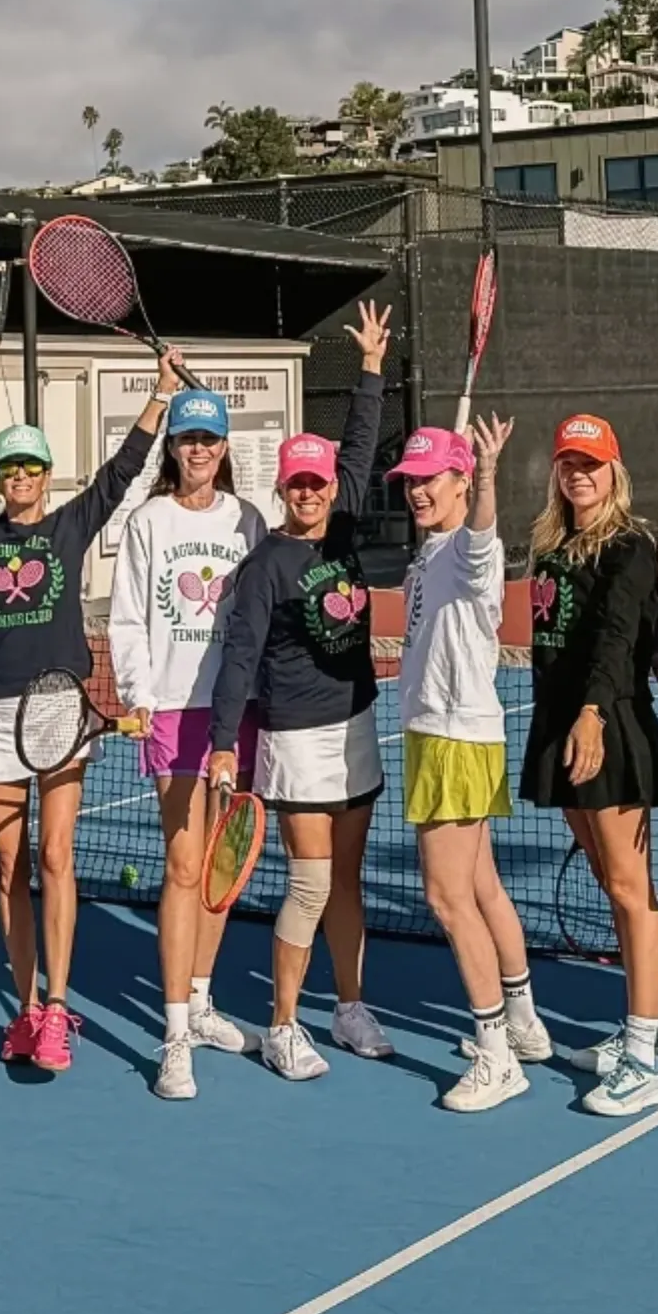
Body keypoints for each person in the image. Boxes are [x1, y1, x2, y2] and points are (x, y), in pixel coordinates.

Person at [0, 348, 182, 1074]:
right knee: (6, 864)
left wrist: (160, 396)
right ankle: (23, 1009)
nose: (19, 480)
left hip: (58, 713)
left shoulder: (70, 526)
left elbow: (122, 472)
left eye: (30, 469)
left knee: (56, 856)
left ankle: (56, 1007)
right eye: (8, 470)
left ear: (47, 477)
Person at [209, 301, 395, 1082]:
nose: (313, 493)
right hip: (295, 738)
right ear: (284, 489)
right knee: (312, 881)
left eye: (319, 483)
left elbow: (358, 449)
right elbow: (240, 659)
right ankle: (284, 1024)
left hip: (356, 724)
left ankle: (349, 1008)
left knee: (345, 880)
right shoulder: (265, 567)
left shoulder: (344, 525)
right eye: (300, 484)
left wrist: (372, 371)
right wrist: (223, 744)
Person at [390, 416, 554, 1113]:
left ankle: (494, 1055)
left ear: (459, 481)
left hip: (455, 738)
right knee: (483, 886)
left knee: (446, 898)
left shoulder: (465, 547)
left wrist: (487, 475)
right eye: (410, 481)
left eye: (431, 478)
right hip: (442, 734)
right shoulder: (428, 555)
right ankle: (522, 1025)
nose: (418, 491)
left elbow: (486, 533)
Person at [108, 388, 268, 1100]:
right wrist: (139, 695)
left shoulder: (250, 521)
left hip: (237, 714)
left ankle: (201, 999)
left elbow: (262, 618)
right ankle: (175, 1034)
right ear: (171, 449)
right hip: (173, 711)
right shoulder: (148, 521)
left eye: (208, 439)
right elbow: (129, 620)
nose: (197, 450)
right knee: (181, 865)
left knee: (220, 866)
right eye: (186, 439)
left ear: (224, 447)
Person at [520, 414, 658, 1117]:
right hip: (560, 726)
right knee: (609, 883)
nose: (580, 475)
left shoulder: (630, 546)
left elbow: (617, 638)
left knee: (628, 887)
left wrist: (590, 717)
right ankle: (653, 1033)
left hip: (605, 727)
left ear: (614, 471)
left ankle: (644, 1059)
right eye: (569, 464)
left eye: (592, 464)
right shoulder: (552, 545)